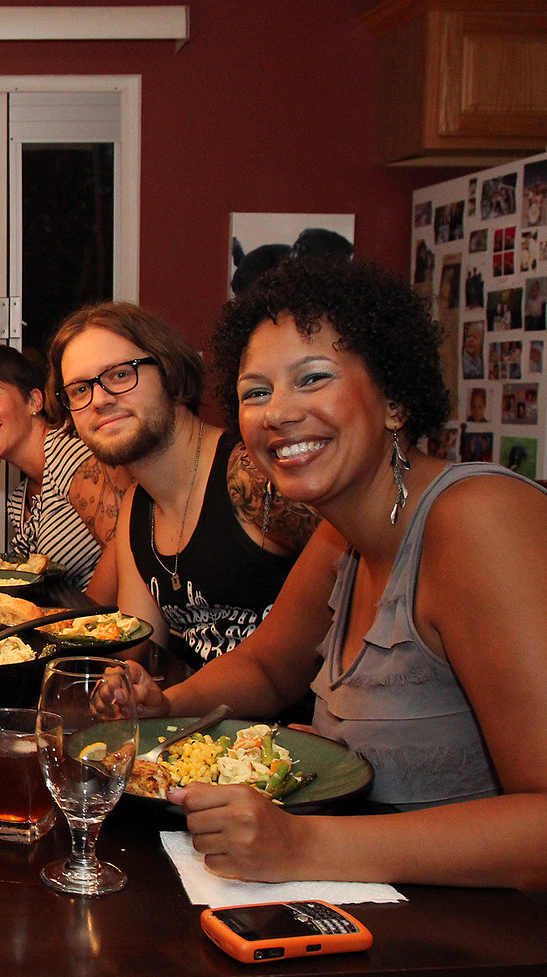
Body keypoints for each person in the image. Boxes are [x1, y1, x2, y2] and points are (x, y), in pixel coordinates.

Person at [114, 255, 547, 891]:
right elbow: (268, 668)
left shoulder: (481, 520)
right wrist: (166, 706)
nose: (277, 413)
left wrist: (304, 845)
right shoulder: (341, 534)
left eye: (312, 378)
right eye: (256, 392)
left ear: (394, 399)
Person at [47, 302, 318, 666]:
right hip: (192, 702)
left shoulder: (250, 475)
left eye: (120, 375)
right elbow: (138, 656)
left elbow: (375, 583)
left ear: (170, 372)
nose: (99, 400)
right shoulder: (136, 512)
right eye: (80, 390)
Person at [0, 344, 127, 600]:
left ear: (34, 400)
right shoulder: (20, 498)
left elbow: (127, 546)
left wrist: (86, 618)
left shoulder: (72, 457)